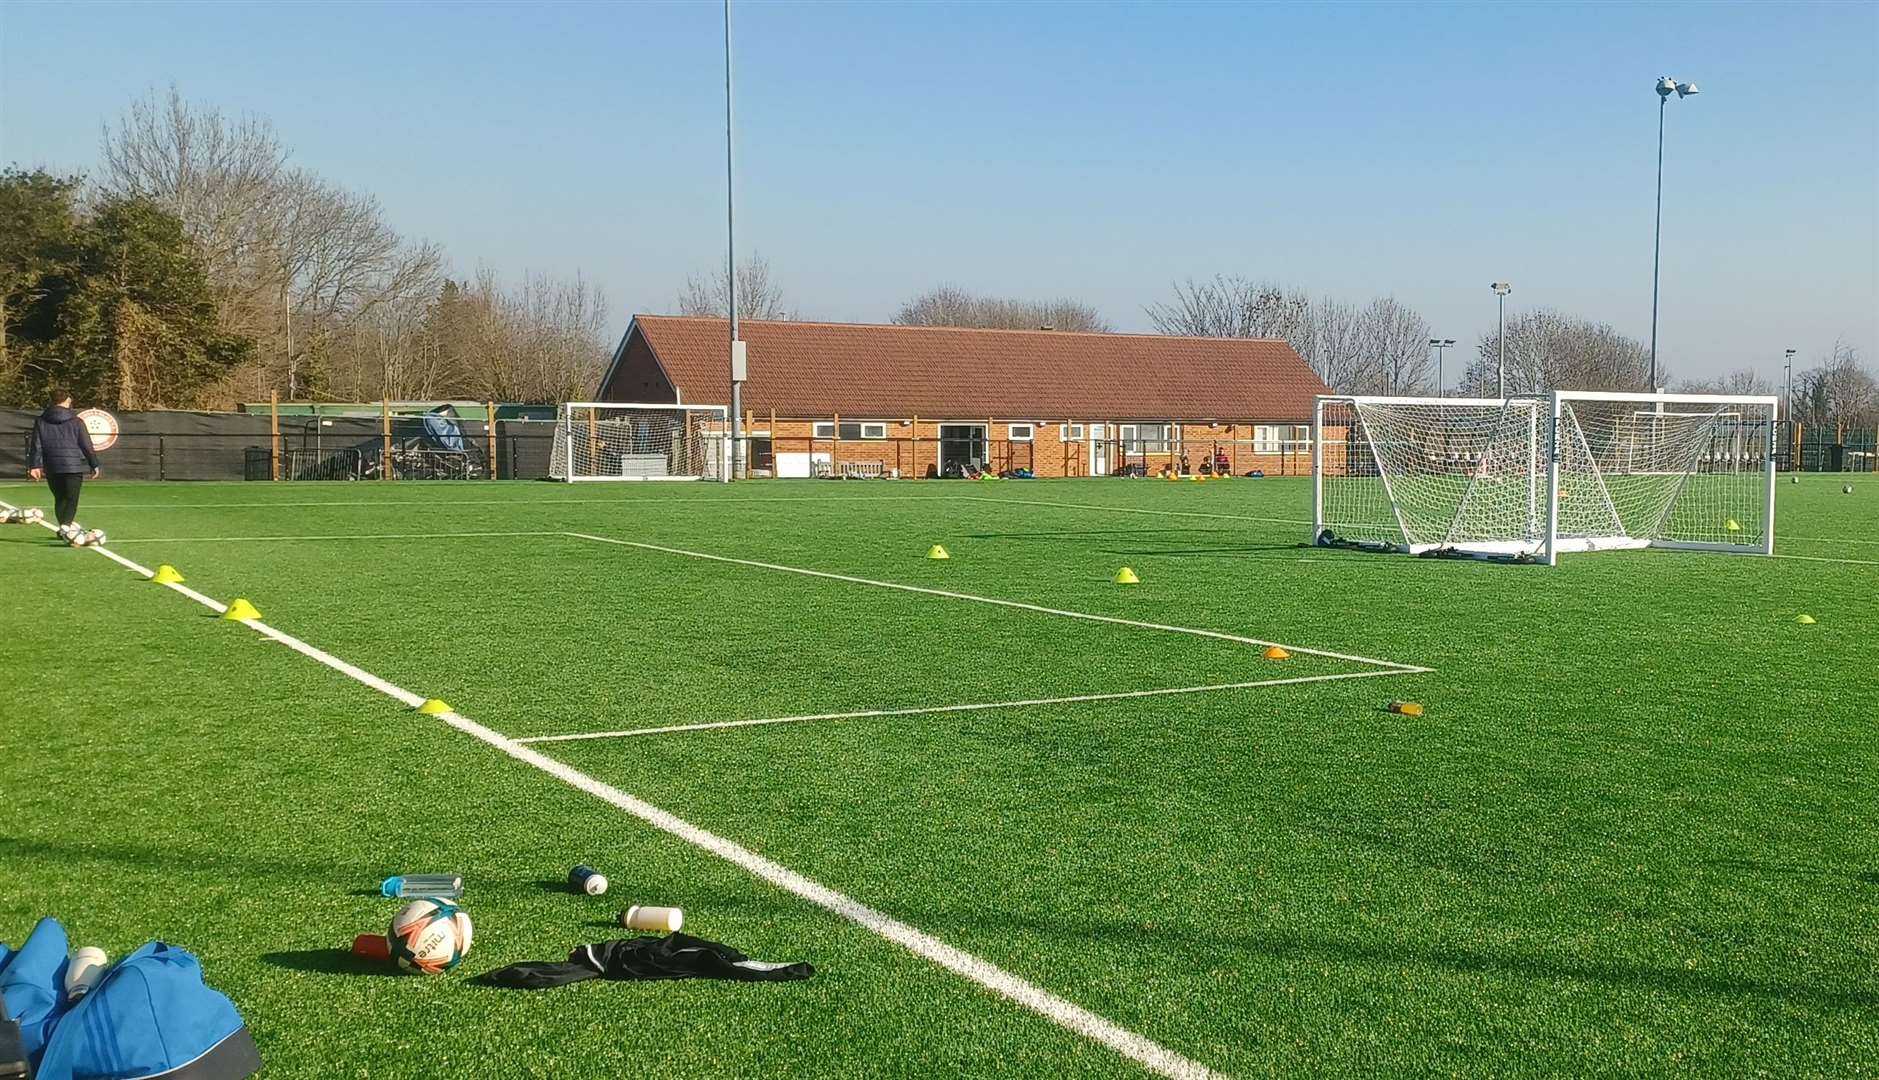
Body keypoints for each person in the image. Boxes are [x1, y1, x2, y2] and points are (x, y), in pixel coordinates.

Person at [27, 390, 100, 534]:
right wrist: (94, 463)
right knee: (71, 498)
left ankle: (64, 527)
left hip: (52, 466)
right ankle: (65, 527)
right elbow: (86, 445)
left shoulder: (41, 421)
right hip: (72, 465)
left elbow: (36, 445)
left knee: (60, 498)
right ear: (67, 400)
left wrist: (35, 465)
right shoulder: (77, 421)